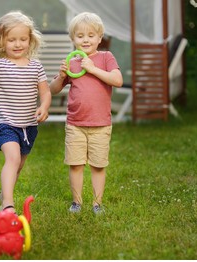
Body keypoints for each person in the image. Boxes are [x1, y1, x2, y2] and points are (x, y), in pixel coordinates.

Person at [0, 11, 51, 214]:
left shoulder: (35, 67)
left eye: (23, 39)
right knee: (12, 159)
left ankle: (5, 192)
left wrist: (44, 106)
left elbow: (45, 91)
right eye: (12, 40)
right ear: (1, 41)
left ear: (30, 40)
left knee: (19, 164)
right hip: (4, 122)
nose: (18, 44)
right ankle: (7, 204)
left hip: (29, 125)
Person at [49, 12, 123, 214]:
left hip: (100, 124)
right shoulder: (72, 62)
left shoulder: (106, 57)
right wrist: (61, 76)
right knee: (76, 164)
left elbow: (117, 80)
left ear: (100, 38)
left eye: (91, 35)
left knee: (98, 165)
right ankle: (77, 202)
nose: (86, 40)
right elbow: (53, 89)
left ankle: (97, 204)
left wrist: (92, 69)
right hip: (76, 124)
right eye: (80, 36)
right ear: (73, 39)